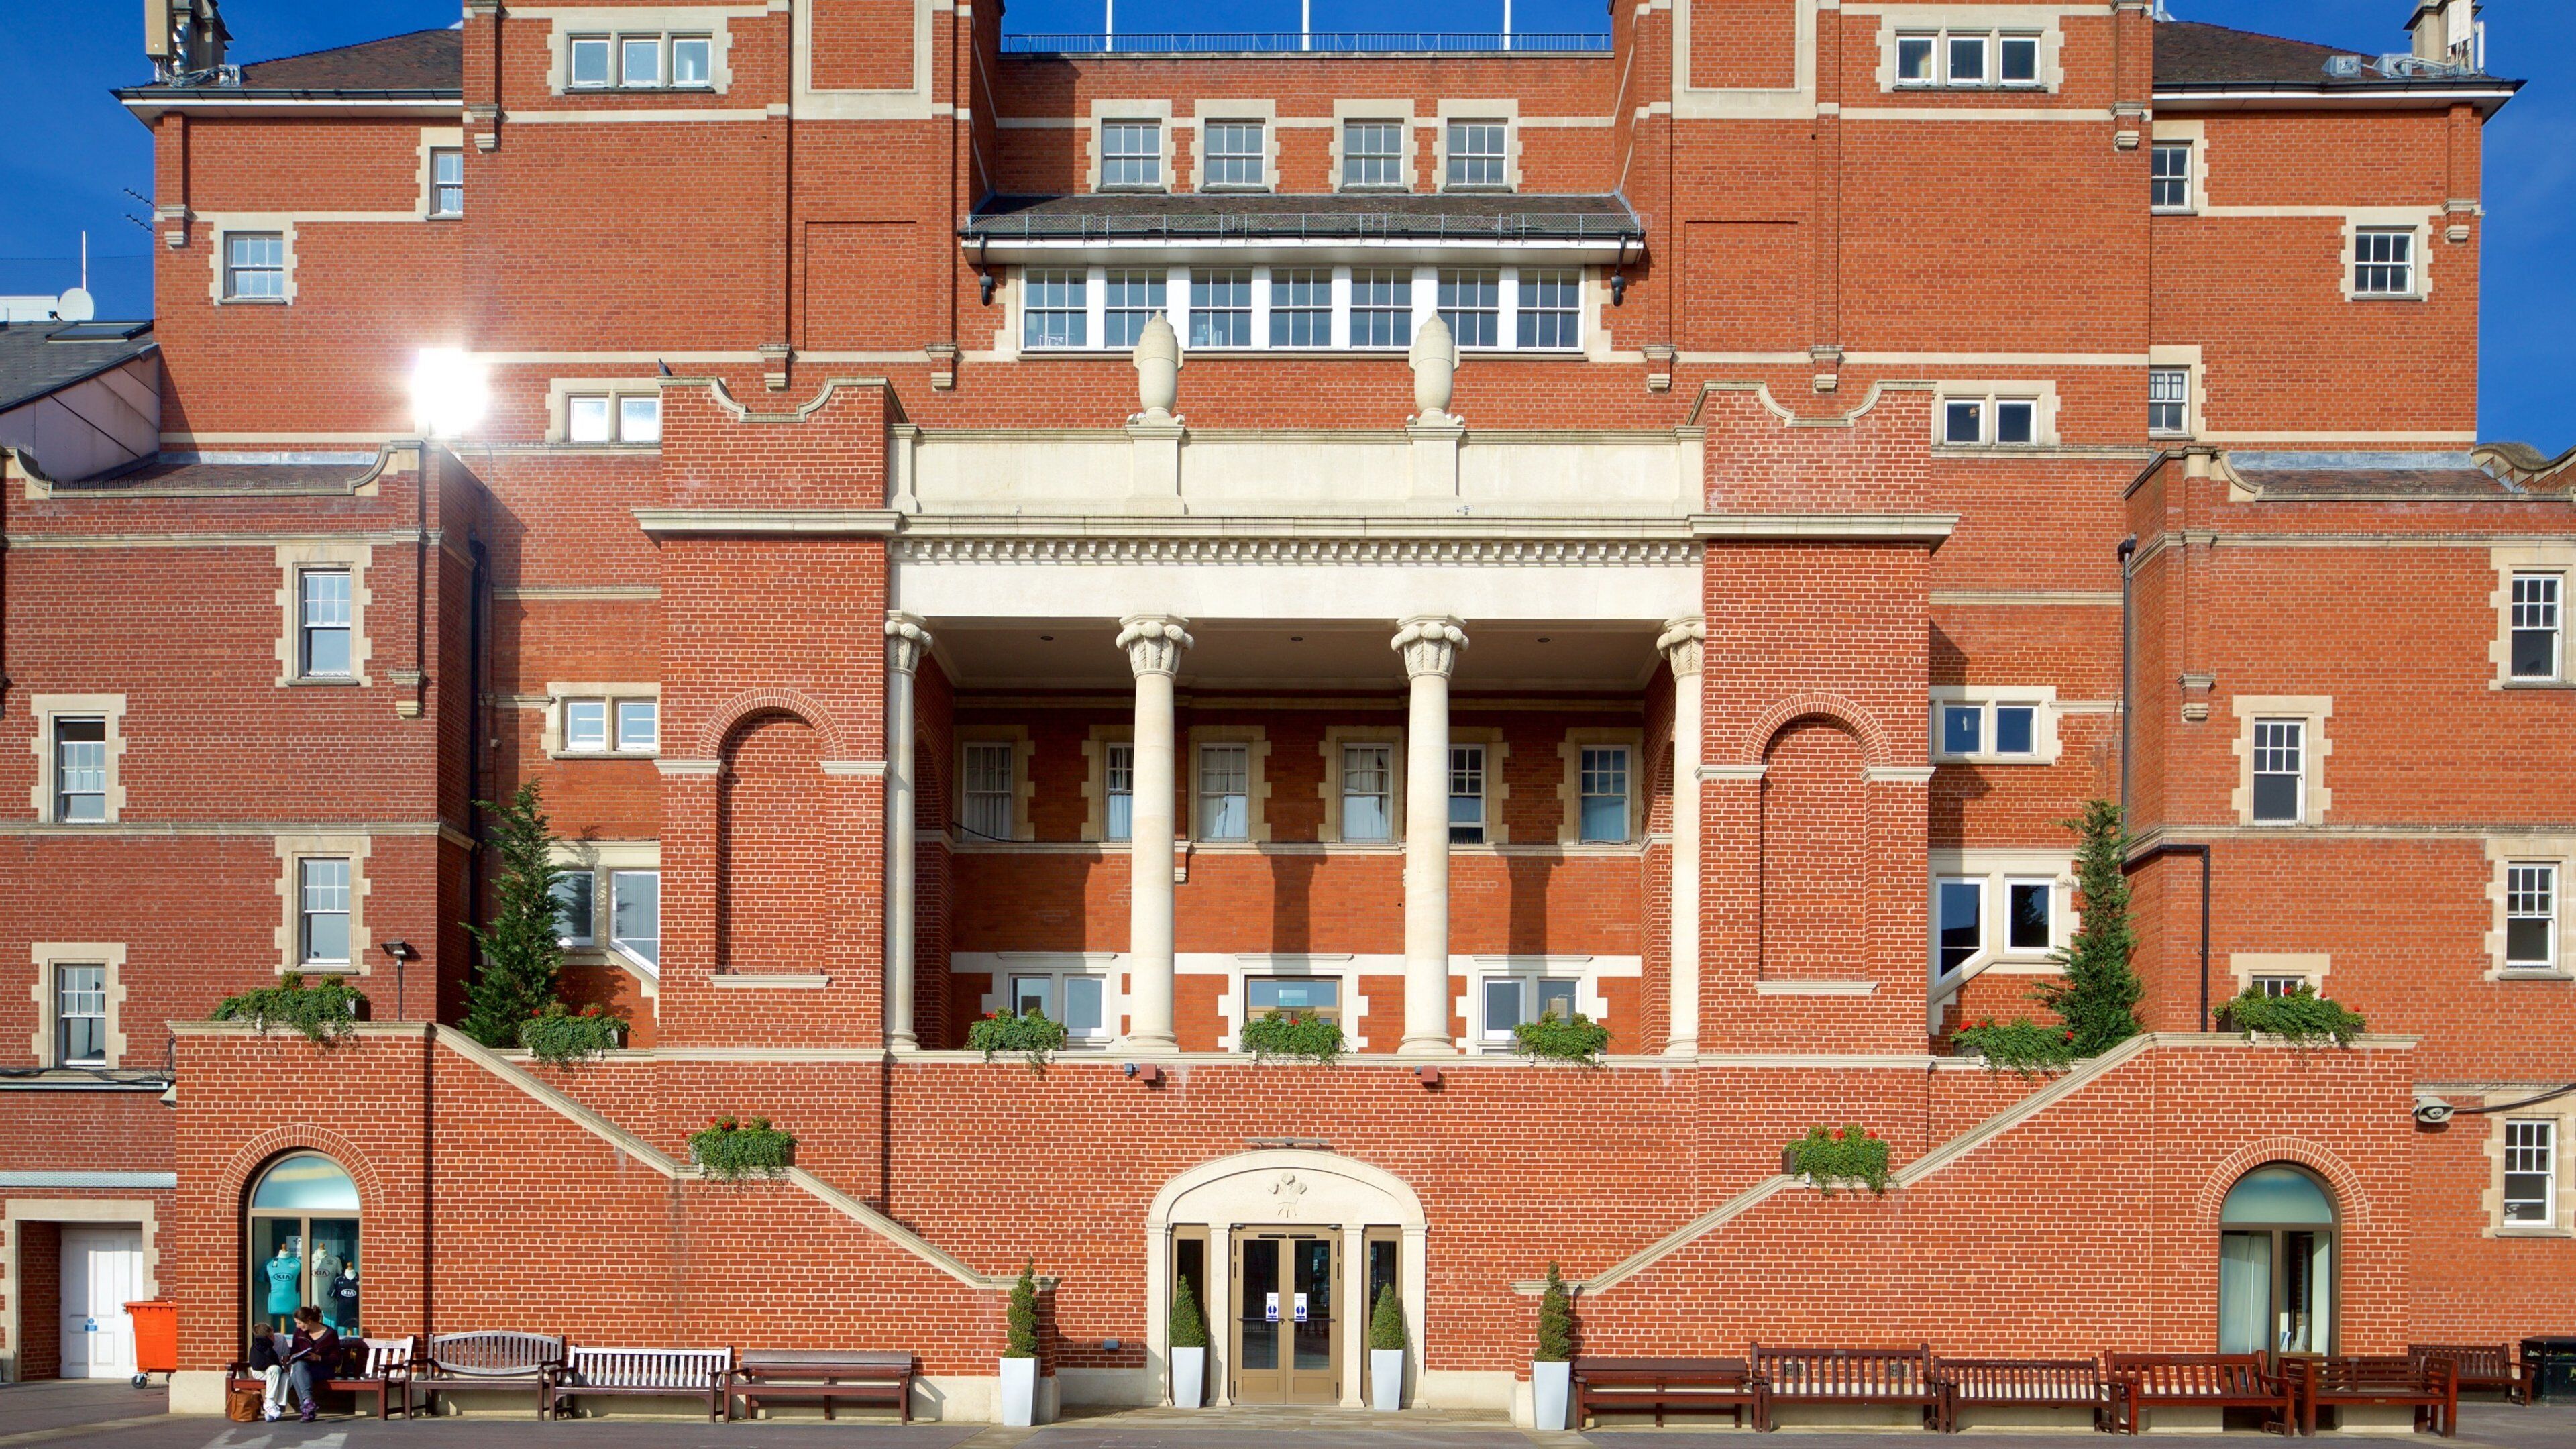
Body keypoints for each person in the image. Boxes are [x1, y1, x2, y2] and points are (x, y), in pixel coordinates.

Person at [280, 1305, 339, 1423]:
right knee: (299, 1367)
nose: (297, 1326)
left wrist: (319, 1358)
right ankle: (308, 1403)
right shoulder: (299, 1333)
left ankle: (307, 1409)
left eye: (299, 1323)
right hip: (304, 1368)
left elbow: (337, 1359)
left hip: (323, 1369)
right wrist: (293, 1358)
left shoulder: (331, 1334)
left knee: (297, 1373)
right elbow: (294, 1353)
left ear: (309, 1321)